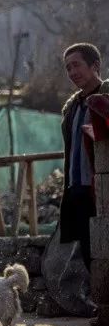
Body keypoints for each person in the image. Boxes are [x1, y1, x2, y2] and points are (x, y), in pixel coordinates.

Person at [59, 43, 109, 272]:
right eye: (68, 68)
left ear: (95, 65)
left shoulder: (105, 98)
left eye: (76, 65)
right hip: (76, 189)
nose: (72, 73)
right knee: (89, 253)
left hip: (101, 189)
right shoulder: (72, 108)